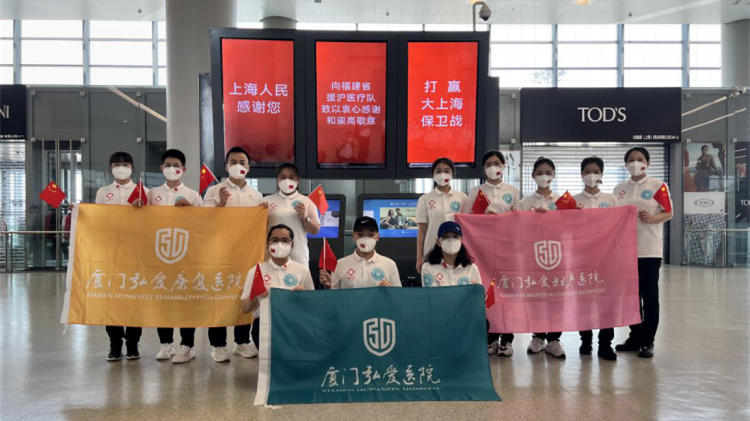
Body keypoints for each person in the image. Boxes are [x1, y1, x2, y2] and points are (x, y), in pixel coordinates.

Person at [203, 146, 265, 362]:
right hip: (219, 253)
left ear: (248, 167)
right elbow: (203, 221)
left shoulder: (256, 195)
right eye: (234, 162)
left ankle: (241, 342)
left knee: (245, 294)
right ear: (226, 166)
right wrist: (220, 204)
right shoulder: (214, 191)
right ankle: (218, 345)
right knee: (218, 296)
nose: (238, 166)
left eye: (242, 162)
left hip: (247, 254)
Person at [613, 147, 673, 358]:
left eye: (640, 159)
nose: (635, 163)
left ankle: (648, 340)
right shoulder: (619, 189)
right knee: (631, 298)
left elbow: (668, 212)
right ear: (625, 164)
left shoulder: (658, 185)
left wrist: (652, 218)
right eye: (631, 159)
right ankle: (635, 336)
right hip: (624, 252)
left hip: (648, 250)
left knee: (649, 297)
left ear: (648, 163)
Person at [149, 149, 203, 364]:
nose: (172, 169)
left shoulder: (193, 195)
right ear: (161, 168)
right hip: (159, 255)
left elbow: (204, 225)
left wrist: (191, 210)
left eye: (176, 165)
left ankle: (187, 346)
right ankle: (166, 344)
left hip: (186, 255)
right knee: (163, 301)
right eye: (168, 165)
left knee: (186, 301)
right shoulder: (152, 194)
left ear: (184, 169)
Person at [94, 151, 148, 362]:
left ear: (132, 167)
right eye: (116, 164)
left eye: (125, 164)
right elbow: (98, 219)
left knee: (134, 300)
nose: (121, 168)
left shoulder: (143, 191)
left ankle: (133, 343)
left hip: (136, 254)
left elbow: (152, 222)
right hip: (111, 253)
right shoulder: (103, 192)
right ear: (110, 168)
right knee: (112, 301)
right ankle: (115, 344)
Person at [518, 157, 566, 358]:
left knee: (556, 297)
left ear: (553, 175)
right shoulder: (524, 202)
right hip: (533, 256)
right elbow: (518, 230)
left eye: (548, 173)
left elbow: (569, 228)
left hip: (557, 255)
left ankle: (554, 339)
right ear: (532, 176)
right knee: (536, 297)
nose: (543, 176)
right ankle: (538, 336)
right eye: (539, 173)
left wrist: (552, 218)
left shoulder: (562, 201)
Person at [572, 156, 618, 361]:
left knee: (606, 301)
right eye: (587, 171)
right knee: (584, 300)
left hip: (607, 258)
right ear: (581, 174)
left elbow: (618, 225)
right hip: (581, 257)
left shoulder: (611, 199)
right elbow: (564, 228)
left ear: (601, 175)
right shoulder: (573, 201)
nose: (591, 175)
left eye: (596, 171)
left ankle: (605, 344)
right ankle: (586, 340)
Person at [240, 224, 314, 349]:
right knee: (268, 361)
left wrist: (303, 296)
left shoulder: (302, 270)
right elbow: (245, 308)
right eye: (275, 240)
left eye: (285, 240)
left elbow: (312, 306)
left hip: (295, 324)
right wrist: (254, 294)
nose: (279, 244)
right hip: (264, 326)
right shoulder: (256, 271)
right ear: (268, 243)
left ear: (292, 244)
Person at [416, 157, 468, 274]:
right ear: (433, 174)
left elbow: (467, 227)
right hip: (431, 252)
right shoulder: (424, 199)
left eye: (447, 171)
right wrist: (419, 257)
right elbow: (422, 231)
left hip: (456, 252)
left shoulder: (462, 198)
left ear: (452, 174)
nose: (442, 174)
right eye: (438, 171)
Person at [262, 163, 321, 266]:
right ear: (277, 179)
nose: (287, 180)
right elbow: (258, 228)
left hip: (297, 255)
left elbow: (315, 230)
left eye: (291, 177)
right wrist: (260, 213)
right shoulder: (267, 200)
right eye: (283, 177)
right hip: (272, 253)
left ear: (298, 181)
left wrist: (305, 218)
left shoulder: (306, 201)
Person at [320, 216, 401, 289]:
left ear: (378, 236)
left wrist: (390, 290)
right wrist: (329, 286)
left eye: (371, 235)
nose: (365, 239)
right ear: (353, 236)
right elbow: (334, 297)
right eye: (360, 234)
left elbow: (398, 296)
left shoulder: (390, 264)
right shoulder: (339, 264)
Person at [461, 150, 519, 215]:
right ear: (484, 168)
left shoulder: (513, 190)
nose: (492, 168)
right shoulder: (475, 191)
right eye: (488, 165)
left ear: (503, 166)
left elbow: (517, 215)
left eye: (497, 164)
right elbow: (466, 216)